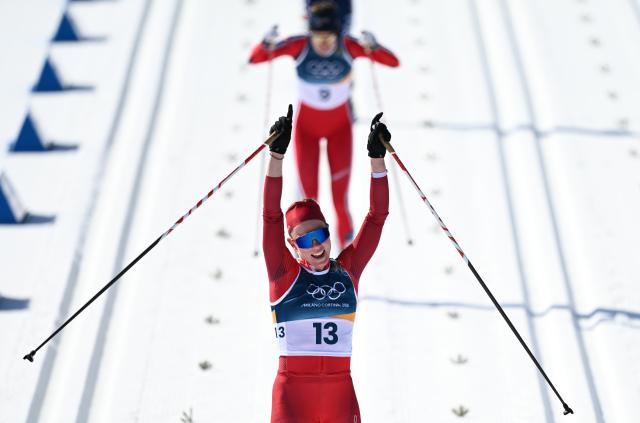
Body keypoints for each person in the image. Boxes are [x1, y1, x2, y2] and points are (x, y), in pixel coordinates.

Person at [262, 104, 392, 422]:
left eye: (320, 234)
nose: (316, 245)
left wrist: (377, 161)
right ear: (293, 246)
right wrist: (276, 158)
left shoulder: (348, 270)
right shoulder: (283, 273)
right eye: (306, 240)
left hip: (339, 392)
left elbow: (377, 218)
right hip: (293, 395)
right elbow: (271, 216)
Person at [249, 0, 399, 248]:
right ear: (310, 32)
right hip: (306, 130)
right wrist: (266, 43)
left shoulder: (348, 46)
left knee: (340, 198)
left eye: (329, 36)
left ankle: (345, 255)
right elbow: (257, 58)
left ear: (337, 32)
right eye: (318, 36)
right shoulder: (300, 45)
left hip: (339, 130)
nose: (324, 42)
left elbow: (392, 62)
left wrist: (374, 46)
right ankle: (306, 255)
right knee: (310, 199)